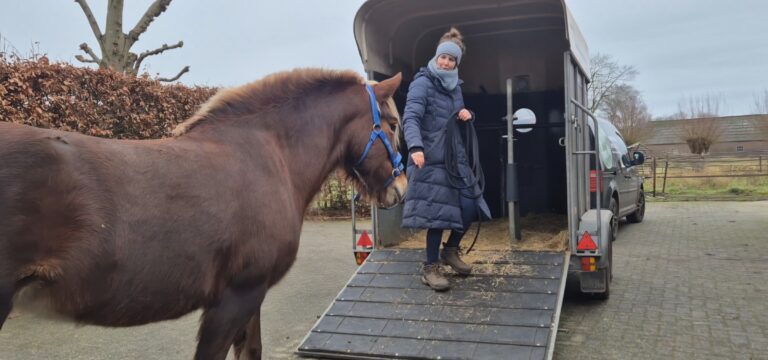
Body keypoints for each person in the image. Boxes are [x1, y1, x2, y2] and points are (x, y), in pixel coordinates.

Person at [401, 27, 491, 291]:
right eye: (443, 57)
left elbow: (454, 117)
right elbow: (411, 118)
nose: (446, 62)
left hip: (454, 159)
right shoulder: (422, 83)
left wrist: (466, 114)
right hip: (428, 159)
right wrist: (415, 146)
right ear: (436, 56)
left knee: (471, 205)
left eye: (452, 60)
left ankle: (450, 250)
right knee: (438, 215)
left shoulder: (454, 87)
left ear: (456, 63)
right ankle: (430, 268)